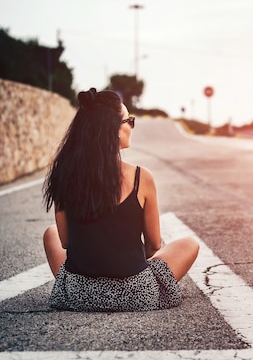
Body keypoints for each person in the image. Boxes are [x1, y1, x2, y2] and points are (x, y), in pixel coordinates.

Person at [42, 88, 199, 312]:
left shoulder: (64, 175)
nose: (131, 126)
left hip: (79, 295)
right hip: (136, 293)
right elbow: (154, 245)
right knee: (189, 244)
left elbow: (66, 242)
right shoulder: (140, 177)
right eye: (129, 120)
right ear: (113, 130)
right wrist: (123, 256)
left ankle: (85, 289)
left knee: (51, 233)